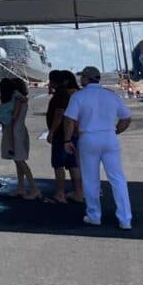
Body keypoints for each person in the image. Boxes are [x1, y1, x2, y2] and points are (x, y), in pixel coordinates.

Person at [63, 65, 133, 230]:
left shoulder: (78, 96)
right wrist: (116, 131)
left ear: (86, 78)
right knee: (117, 179)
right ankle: (125, 219)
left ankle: (94, 216)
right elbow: (126, 118)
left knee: (91, 179)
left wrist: (67, 140)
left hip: (88, 138)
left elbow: (69, 120)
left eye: (82, 77)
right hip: (109, 137)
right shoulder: (111, 95)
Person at [0, 77, 41, 200]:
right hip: (19, 129)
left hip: (14, 130)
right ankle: (21, 187)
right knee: (18, 160)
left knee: (20, 161)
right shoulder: (21, 99)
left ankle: (34, 189)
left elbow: (13, 116)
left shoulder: (17, 100)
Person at [45, 70, 84, 204]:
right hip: (70, 133)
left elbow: (59, 113)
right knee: (73, 164)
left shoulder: (61, 94)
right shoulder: (66, 93)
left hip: (61, 135)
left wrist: (52, 132)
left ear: (54, 81)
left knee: (58, 165)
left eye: (50, 80)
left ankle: (60, 194)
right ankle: (79, 193)